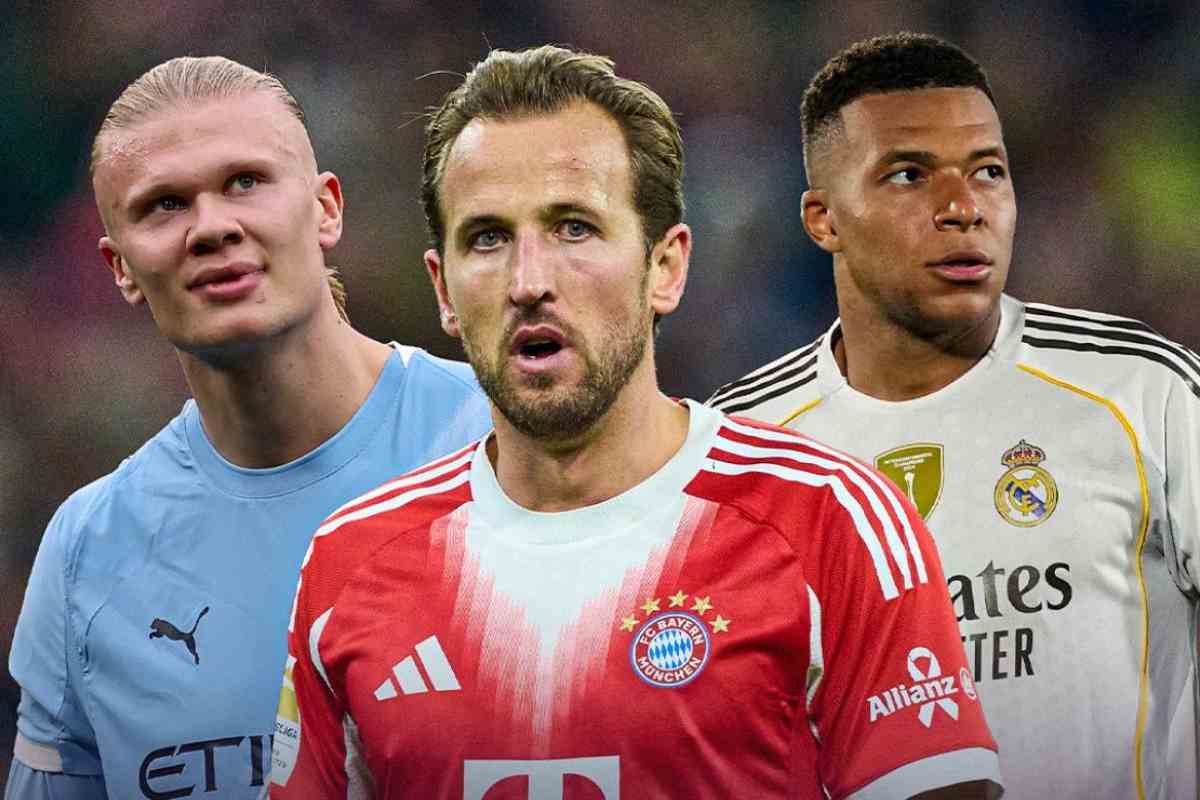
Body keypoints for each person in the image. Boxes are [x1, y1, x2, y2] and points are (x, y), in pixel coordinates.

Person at [269, 45, 1002, 800]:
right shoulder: (349, 564)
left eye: (574, 228)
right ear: (444, 290)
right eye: (487, 238)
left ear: (665, 268)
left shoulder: (831, 523)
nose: (529, 282)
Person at [708, 31, 1200, 799]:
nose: (963, 208)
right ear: (823, 219)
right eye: (909, 175)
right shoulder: (736, 444)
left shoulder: (1143, 391)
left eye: (988, 172)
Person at [5, 57, 492, 800]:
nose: (212, 227)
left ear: (326, 209)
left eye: (244, 182)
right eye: (164, 205)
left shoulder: (505, 444)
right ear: (120, 267)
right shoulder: (87, 554)